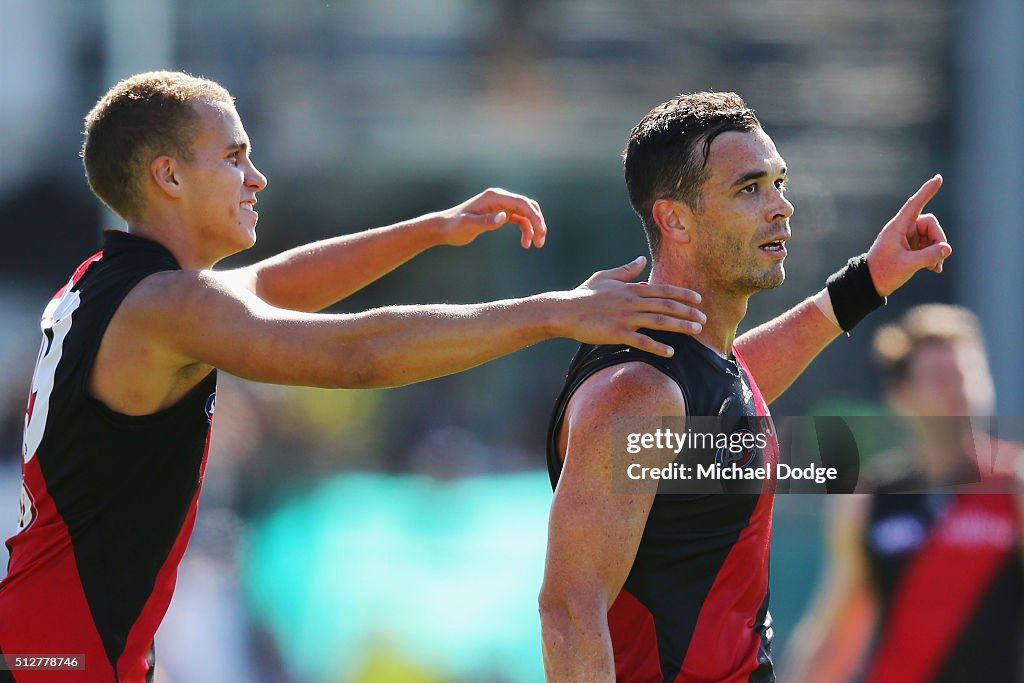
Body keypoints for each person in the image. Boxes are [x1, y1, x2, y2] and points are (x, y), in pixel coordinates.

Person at [0, 71, 708, 683]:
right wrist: (554, 312)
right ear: (170, 176)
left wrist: (431, 228)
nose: (257, 177)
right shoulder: (169, 303)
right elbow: (359, 355)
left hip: (50, 641)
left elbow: (274, 284)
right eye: (235, 156)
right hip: (66, 655)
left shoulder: (113, 284)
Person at [538, 91, 952, 682]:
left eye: (779, 182)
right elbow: (568, 613)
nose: (781, 206)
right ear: (674, 219)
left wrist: (867, 281)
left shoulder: (693, 367)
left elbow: (730, 399)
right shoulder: (637, 390)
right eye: (749, 188)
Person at [784, 304, 1024, 683]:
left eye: (968, 374)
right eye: (940, 377)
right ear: (901, 394)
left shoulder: (1014, 486)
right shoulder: (868, 500)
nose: (960, 388)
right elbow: (835, 633)